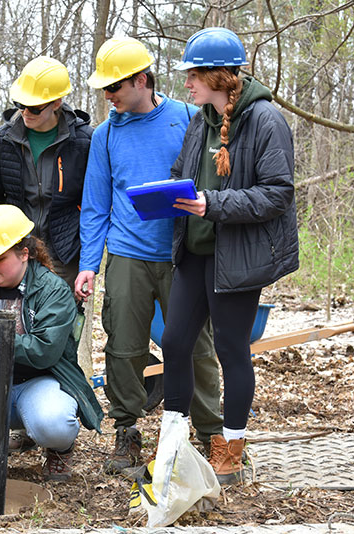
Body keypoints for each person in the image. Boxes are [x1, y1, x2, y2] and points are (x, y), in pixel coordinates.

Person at [74, 37, 223, 474]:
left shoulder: (188, 119)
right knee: (124, 346)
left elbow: (213, 182)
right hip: (127, 255)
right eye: (103, 89)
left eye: (114, 88)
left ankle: (212, 433)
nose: (108, 97)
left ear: (141, 80)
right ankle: (127, 431)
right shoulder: (105, 135)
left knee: (195, 344)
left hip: (182, 254)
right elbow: (97, 204)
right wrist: (88, 264)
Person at [162, 27, 298, 483]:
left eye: (193, 75)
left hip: (237, 257)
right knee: (175, 342)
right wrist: (167, 192)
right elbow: (185, 173)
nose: (187, 84)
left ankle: (232, 449)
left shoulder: (265, 120)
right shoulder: (201, 120)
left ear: (219, 75)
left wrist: (213, 204)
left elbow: (277, 193)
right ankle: (173, 447)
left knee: (230, 350)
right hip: (194, 253)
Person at [0, 205, 104, 482]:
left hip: (40, 379)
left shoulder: (53, 291)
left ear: (24, 254)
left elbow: (45, 352)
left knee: (54, 423)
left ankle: (59, 450)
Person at [0, 57, 93, 288]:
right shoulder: (5, 139)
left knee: (59, 318)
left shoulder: (83, 141)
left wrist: (86, 257)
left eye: (34, 107)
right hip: (17, 249)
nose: (26, 112)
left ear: (56, 102)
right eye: (20, 104)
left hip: (64, 250)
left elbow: (93, 203)